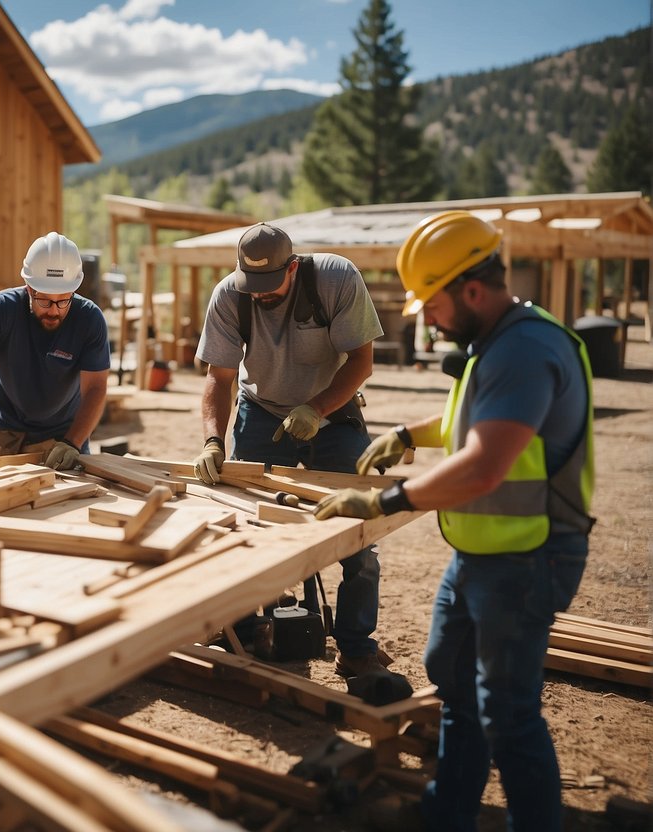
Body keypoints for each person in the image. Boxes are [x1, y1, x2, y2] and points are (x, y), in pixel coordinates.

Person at [314, 211, 594, 832]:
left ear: (471, 290)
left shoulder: (525, 348)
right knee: (454, 683)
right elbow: (480, 421)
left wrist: (385, 502)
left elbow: (486, 463)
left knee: (508, 713)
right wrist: (407, 433)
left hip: (529, 557)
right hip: (484, 553)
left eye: (431, 303)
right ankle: (450, 812)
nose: (427, 318)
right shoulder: (495, 342)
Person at [191, 222, 389, 677]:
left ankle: (356, 647)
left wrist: (317, 410)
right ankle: (244, 630)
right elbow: (218, 379)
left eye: (269, 285)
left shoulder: (336, 279)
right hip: (260, 412)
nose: (259, 295)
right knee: (248, 528)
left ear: (293, 267)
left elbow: (362, 361)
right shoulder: (230, 295)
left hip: (334, 414)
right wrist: (212, 440)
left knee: (360, 535)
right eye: (251, 285)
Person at [0, 232, 109, 474]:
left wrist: (72, 443)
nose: (54, 311)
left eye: (63, 301)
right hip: (6, 431)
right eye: (45, 301)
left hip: (64, 436)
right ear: (29, 288)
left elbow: (95, 388)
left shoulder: (90, 319)